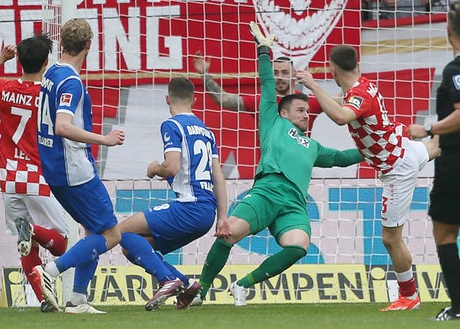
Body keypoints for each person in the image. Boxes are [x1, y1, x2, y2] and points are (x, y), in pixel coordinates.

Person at [195, 23, 364, 307]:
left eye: (307, 112)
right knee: (228, 234)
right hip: (267, 189)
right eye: (300, 112)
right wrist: (263, 51)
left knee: (299, 246)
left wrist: (378, 146)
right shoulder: (271, 115)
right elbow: (261, 85)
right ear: (285, 112)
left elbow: (342, 155)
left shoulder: (311, 131)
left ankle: (243, 285)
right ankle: (200, 289)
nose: (306, 115)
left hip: (295, 202)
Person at [296, 44, 440, 312]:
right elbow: (343, 104)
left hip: (397, 167)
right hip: (402, 146)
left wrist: (314, 86)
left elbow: (342, 117)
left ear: (333, 69)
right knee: (434, 147)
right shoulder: (362, 85)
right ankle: (451, 130)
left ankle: (409, 296)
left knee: (390, 239)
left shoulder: (359, 94)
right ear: (357, 65)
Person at [33, 18, 125, 314]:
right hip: (74, 170)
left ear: (61, 43)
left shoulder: (51, 72)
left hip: (54, 168)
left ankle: (77, 299)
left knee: (93, 230)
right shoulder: (70, 80)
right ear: (89, 45)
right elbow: (62, 126)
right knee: (111, 234)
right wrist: (105, 139)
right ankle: (50, 271)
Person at [119, 76, 228, 311]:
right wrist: (222, 217)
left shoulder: (172, 125)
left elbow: (171, 166)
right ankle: (186, 284)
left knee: (119, 232)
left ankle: (167, 280)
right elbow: (218, 177)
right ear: (195, 100)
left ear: (167, 98)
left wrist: (154, 169)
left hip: (189, 207)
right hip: (206, 214)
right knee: (133, 246)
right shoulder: (207, 133)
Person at [0, 35, 68, 314]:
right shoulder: (47, 94)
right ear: (45, 62)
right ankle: (31, 231)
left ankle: (45, 299)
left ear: (18, 60)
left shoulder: (3, 87)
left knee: (27, 247)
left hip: (7, 177)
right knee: (61, 243)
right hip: (35, 176)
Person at [408, 1, 460, 321]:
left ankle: (458, 308)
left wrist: (428, 128)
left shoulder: (455, 70)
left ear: (448, 29)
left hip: (455, 162)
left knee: (444, 235)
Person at [192, 51, 322, 132]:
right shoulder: (262, 101)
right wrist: (205, 74)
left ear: (294, 74)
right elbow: (223, 99)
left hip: (299, 171)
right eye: (275, 73)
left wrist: (315, 86)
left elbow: (338, 103)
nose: (280, 77)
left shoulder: (307, 102)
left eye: (285, 72)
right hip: (269, 172)